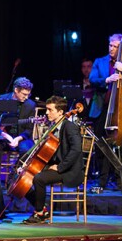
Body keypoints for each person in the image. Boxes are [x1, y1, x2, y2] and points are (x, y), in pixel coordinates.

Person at [88, 33, 122, 192]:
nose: (111, 48)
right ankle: (101, 182)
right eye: (110, 45)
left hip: (121, 109)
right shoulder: (99, 61)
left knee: (121, 147)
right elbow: (92, 79)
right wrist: (107, 80)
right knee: (102, 147)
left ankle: (121, 182)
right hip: (101, 109)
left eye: (115, 46)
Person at [21, 96, 84, 224]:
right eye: (47, 110)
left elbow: (76, 150)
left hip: (69, 170)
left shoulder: (70, 127)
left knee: (39, 178)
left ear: (60, 112)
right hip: (56, 165)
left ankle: (39, 213)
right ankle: (43, 210)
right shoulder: (53, 127)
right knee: (24, 179)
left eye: (50, 110)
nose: (47, 113)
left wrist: (60, 167)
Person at [0, 77, 38, 157]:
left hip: (21, 138)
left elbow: (29, 129)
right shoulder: (3, 99)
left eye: (28, 94)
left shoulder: (30, 105)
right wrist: (4, 134)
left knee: (26, 149)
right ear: (16, 90)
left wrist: (18, 138)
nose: (26, 97)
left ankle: (18, 169)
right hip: (4, 136)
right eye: (24, 94)